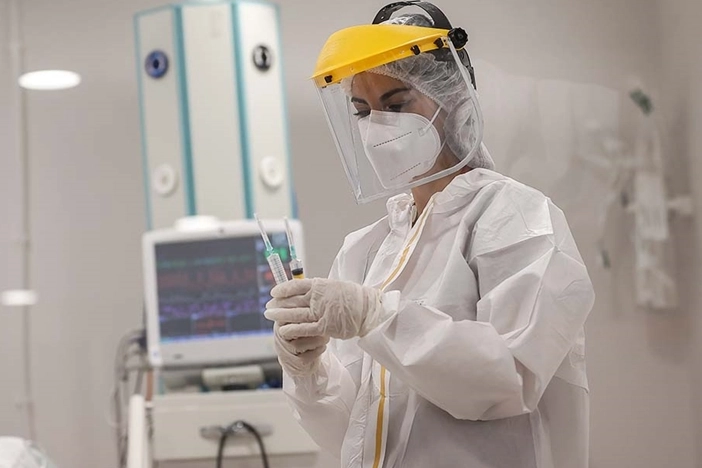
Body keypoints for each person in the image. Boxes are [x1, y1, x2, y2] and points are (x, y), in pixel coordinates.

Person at [265, 3, 594, 467]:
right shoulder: (366, 250)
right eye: (362, 110)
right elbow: (350, 433)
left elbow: (507, 382)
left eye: (397, 104)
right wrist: (310, 371)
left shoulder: (516, 219)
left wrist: (375, 317)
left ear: (452, 101)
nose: (377, 127)